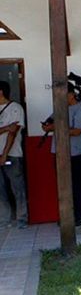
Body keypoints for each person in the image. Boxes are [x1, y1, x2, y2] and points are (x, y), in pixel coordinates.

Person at [43, 84, 81, 228]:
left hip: (75, 152)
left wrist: (55, 127)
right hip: (58, 151)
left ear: (70, 94)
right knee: (63, 186)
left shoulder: (80, 109)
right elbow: (48, 123)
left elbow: (77, 131)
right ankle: (67, 215)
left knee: (77, 185)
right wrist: (47, 125)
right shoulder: (60, 109)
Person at [0, 81, 28, 229]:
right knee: (0, 189)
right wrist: (5, 128)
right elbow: (8, 129)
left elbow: (13, 133)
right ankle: (4, 219)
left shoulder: (15, 108)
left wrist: (4, 154)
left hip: (12, 154)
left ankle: (22, 218)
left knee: (17, 187)